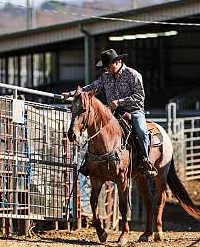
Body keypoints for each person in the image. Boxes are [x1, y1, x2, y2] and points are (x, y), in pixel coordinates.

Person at [64, 48, 157, 178]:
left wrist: (120, 102)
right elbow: (90, 88)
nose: (107, 69)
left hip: (133, 110)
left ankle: (145, 160)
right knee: (96, 130)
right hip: (112, 112)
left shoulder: (133, 75)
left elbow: (140, 97)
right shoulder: (105, 77)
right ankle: (88, 161)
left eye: (108, 66)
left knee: (141, 130)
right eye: (105, 67)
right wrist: (71, 94)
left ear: (117, 62)